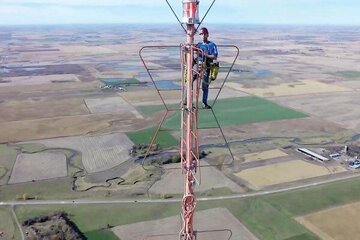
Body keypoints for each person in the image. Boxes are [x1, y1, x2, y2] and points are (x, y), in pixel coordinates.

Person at [197, 27, 218, 109]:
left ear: (207, 35)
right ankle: (186, 100)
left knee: (205, 86)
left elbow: (214, 56)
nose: (202, 36)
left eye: (204, 34)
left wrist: (205, 55)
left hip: (206, 67)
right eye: (201, 34)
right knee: (190, 82)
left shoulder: (212, 45)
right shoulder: (198, 45)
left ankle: (204, 103)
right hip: (198, 66)